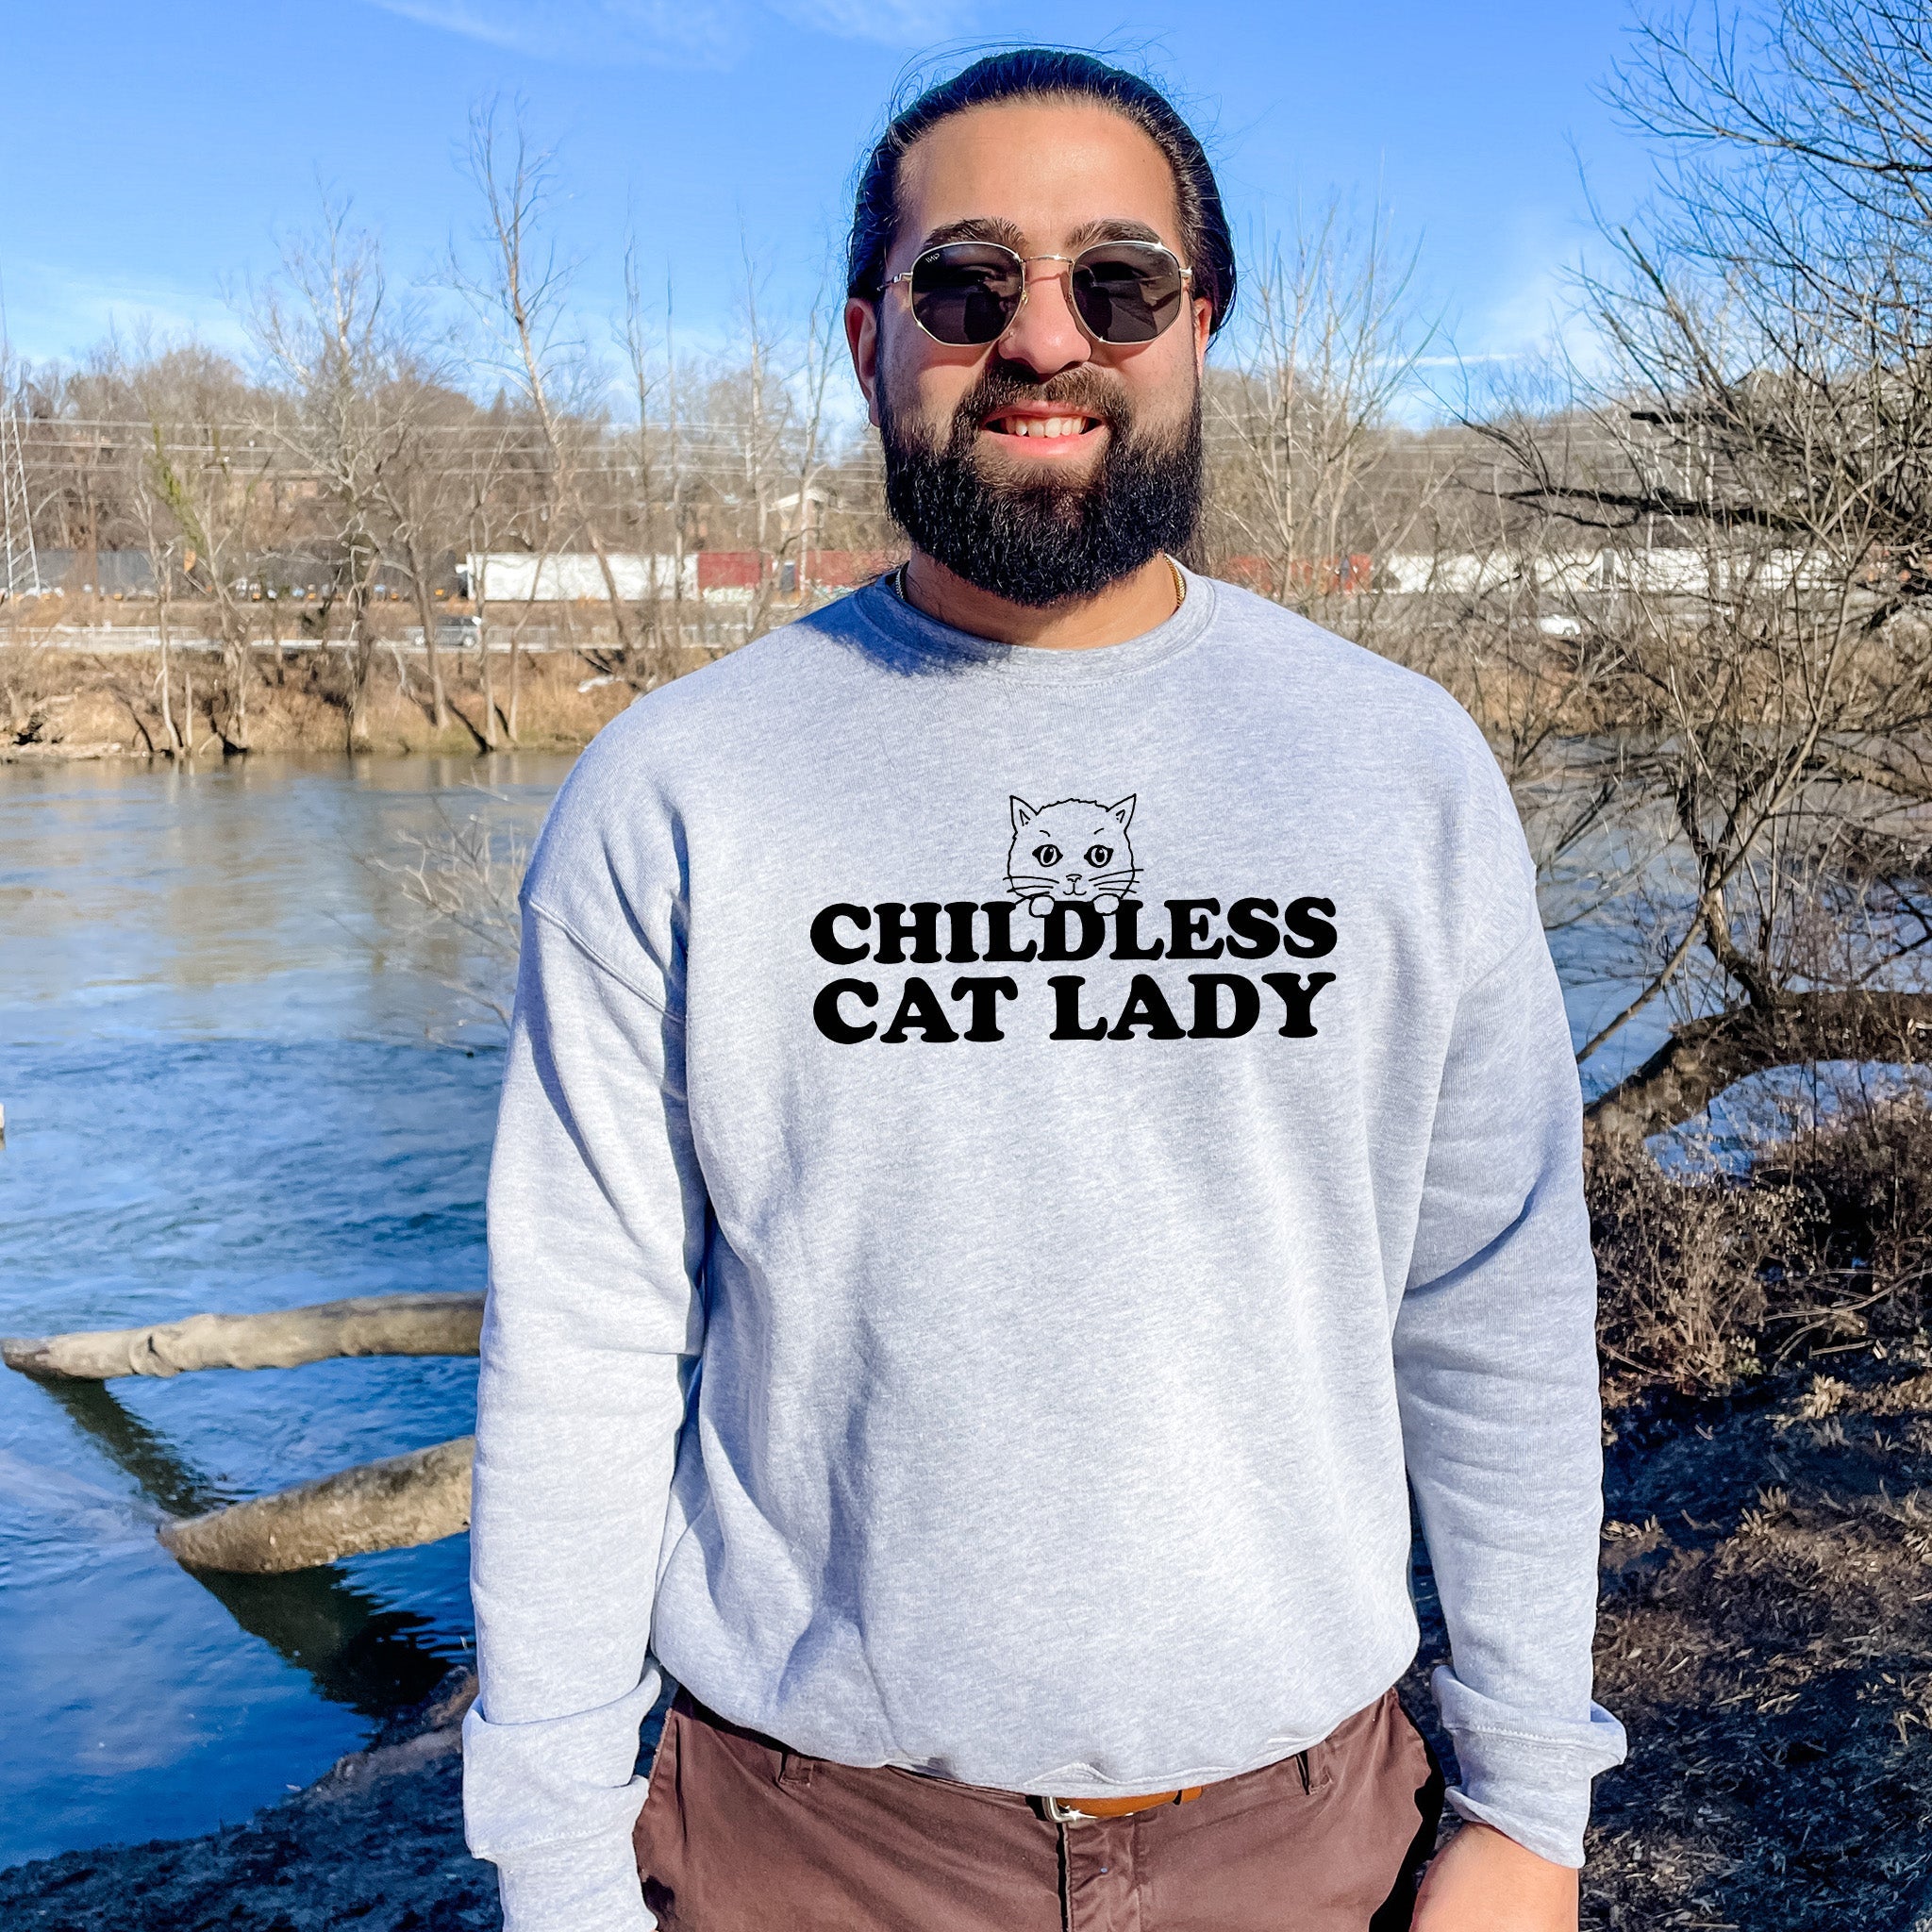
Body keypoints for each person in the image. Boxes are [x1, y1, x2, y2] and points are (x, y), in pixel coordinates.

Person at [461, 47, 1626, 1932]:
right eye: (966, 283)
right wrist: (556, 1861)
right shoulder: (678, 788)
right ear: (869, 338)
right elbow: (584, 1350)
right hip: (803, 1848)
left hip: (1313, 1835)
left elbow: (1490, 1306)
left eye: (1118, 283)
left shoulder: (1396, 769)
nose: (1041, 338)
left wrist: (1528, 1805)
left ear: (1199, 325)